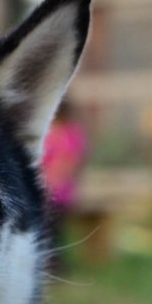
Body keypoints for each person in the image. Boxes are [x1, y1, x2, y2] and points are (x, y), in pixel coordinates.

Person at [41, 100, 87, 270]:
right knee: (52, 232)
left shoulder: (68, 134)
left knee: (54, 230)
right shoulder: (53, 133)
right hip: (50, 191)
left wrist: (54, 181)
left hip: (60, 193)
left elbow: (68, 164)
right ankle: (53, 263)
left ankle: (56, 265)